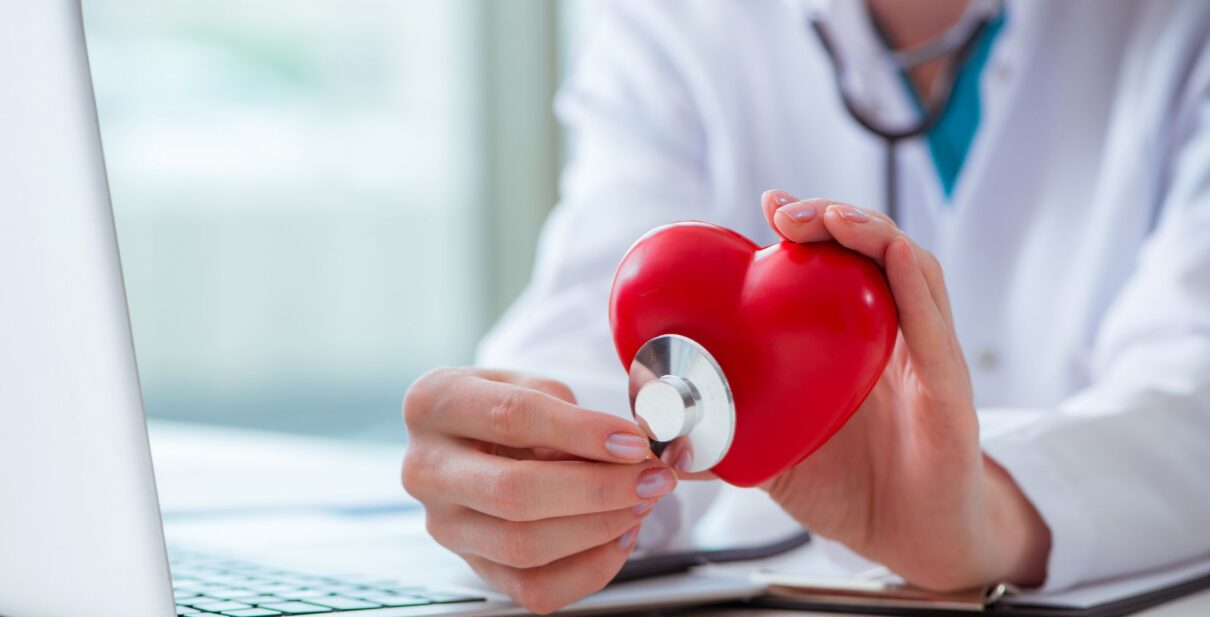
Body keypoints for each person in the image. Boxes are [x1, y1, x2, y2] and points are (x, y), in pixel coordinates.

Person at [401, 0, 1210, 613]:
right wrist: (534, 470)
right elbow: (598, 327)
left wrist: (987, 510)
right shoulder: (672, 19)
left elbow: (1196, 385)